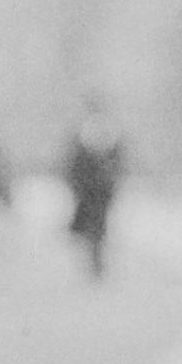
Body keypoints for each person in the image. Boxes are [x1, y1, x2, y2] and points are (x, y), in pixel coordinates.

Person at [63, 100, 126, 278]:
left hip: (94, 190)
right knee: (96, 226)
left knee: (95, 226)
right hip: (96, 189)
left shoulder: (90, 132)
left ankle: (96, 261)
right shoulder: (102, 132)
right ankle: (96, 261)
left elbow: (74, 163)